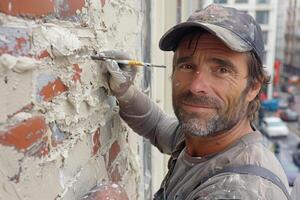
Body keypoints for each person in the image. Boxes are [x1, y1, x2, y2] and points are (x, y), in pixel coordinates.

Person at [100, 4, 290, 200]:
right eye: (187, 65)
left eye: (222, 70)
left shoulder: (241, 190)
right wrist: (125, 91)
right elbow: (156, 125)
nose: (196, 86)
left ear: (253, 87)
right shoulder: (201, 139)